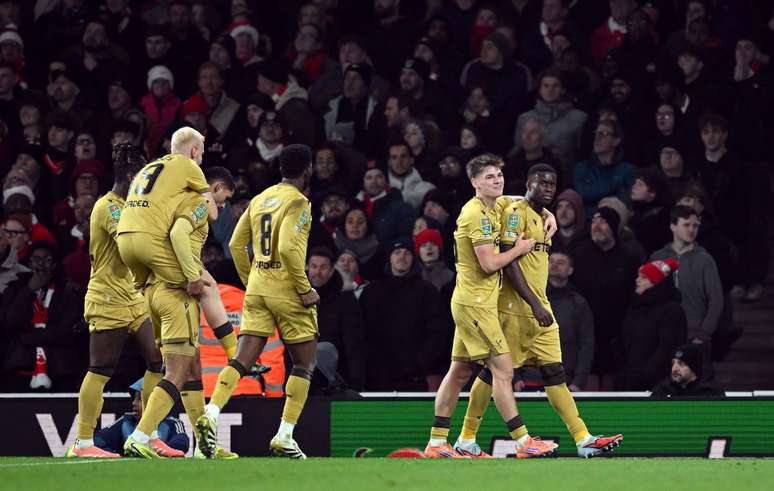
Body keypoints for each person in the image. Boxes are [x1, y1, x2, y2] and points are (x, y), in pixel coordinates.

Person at [456, 164, 622, 459]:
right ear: (529, 183)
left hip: (541, 308)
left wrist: (539, 304)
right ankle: (466, 437)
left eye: (552, 184)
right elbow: (509, 261)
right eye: (542, 183)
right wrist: (534, 304)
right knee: (492, 373)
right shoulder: (515, 213)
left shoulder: (544, 216)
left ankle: (583, 438)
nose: (548, 188)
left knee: (554, 372)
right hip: (514, 309)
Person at [198, 144, 319, 459]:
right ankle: (284, 435)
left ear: (279, 168)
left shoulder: (261, 198)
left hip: (257, 288)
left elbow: (236, 244)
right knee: (305, 363)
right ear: (308, 169)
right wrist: (304, 287)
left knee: (241, 359)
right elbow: (289, 249)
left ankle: (211, 411)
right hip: (288, 290)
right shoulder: (299, 202)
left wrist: (250, 279)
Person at [424, 154, 542, 459]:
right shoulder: (475, 214)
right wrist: (519, 248)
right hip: (475, 305)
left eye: (499, 175)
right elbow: (489, 264)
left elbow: (518, 198)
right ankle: (523, 441)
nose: (497, 180)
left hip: (473, 302)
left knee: (459, 371)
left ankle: (438, 442)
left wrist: (548, 212)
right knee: (503, 369)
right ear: (474, 182)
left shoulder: (494, 204)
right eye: (489, 177)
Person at [66, 144, 179, 458]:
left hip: (134, 298)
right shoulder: (108, 207)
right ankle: (83, 442)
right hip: (107, 298)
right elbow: (132, 243)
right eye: (143, 178)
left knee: (158, 362)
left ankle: (148, 433)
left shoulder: (131, 206)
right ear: (131, 177)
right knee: (101, 369)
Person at [651, 206, 723, 377]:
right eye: (686, 225)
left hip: (695, 336)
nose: (691, 229)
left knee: (698, 385)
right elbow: (649, 298)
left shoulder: (705, 260)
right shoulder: (658, 258)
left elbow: (716, 300)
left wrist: (702, 335)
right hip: (665, 337)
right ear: (673, 226)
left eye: (695, 226)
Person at [619, 259, 687, 390]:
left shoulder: (672, 311)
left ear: (656, 282)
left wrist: (646, 374)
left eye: (643, 277)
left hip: (658, 384)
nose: (637, 280)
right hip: (631, 379)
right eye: (638, 276)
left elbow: (668, 348)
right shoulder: (636, 307)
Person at [93, 378, 190, 456]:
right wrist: (113, 453)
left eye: (140, 399)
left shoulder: (172, 422)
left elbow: (182, 443)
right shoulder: (126, 420)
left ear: (154, 402)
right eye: (134, 398)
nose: (134, 403)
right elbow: (97, 438)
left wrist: (153, 451)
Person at [547, 250, 594, 391]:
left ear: (570, 270)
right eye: (551, 261)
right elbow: (517, 335)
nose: (554, 265)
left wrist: (579, 381)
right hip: (531, 378)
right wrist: (516, 377)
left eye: (560, 262)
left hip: (565, 378)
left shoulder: (578, 303)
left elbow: (586, 344)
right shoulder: (532, 298)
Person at [650, 344, 723, 398]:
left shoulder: (711, 393)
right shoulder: (663, 391)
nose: (674, 369)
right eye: (673, 363)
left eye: (681, 364)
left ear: (693, 368)